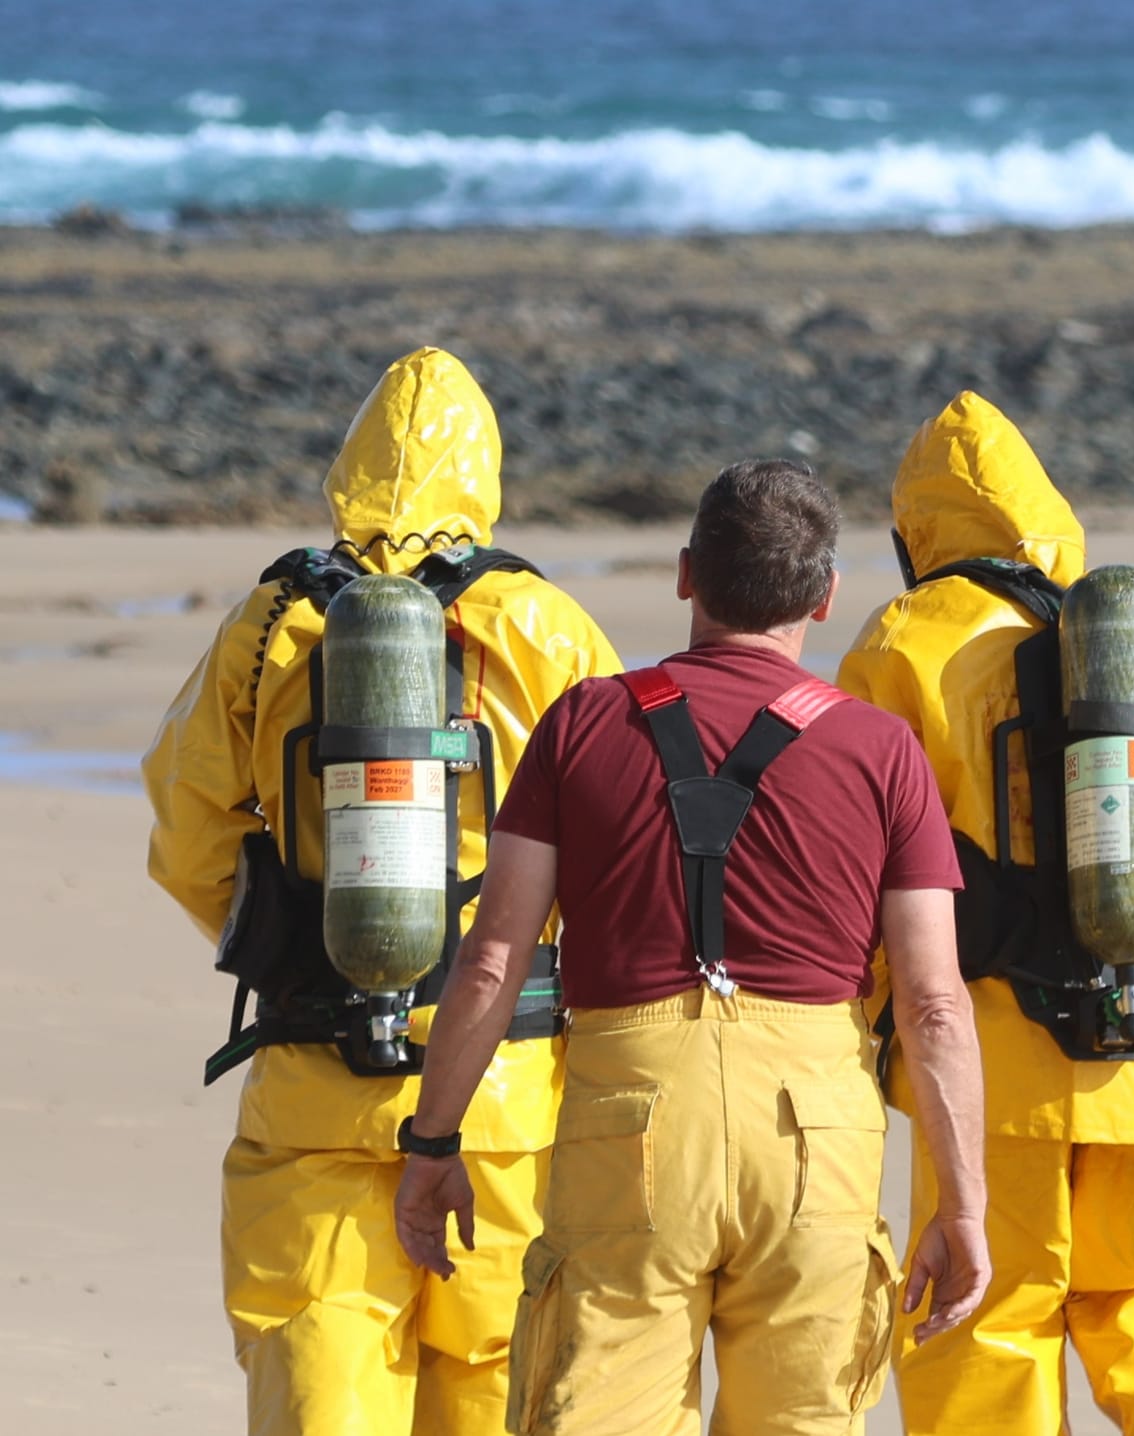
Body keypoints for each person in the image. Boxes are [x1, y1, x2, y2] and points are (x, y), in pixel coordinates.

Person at [394, 458, 990, 1435]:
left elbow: (493, 959)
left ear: (685, 574)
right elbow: (932, 1004)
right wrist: (962, 1203)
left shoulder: (583, 720)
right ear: (826, 594)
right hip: (817, 1131)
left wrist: (434, 1139)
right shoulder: (883, 750)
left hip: (630, 1117)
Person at [142, 346, 622, 1436]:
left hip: (315, 1080)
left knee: (320, 1369)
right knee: (502, 1376)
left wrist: (290, 944)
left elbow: (186, 831)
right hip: (507, 1091)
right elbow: (617, 844)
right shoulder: (543, 625)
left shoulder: (273, 620)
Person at [838, 392, 1134, 1436]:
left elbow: (851, 871)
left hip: (984, 1080)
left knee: (982, 1344)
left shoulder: (900, 646)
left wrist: (854, 1054)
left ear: (911, 535)